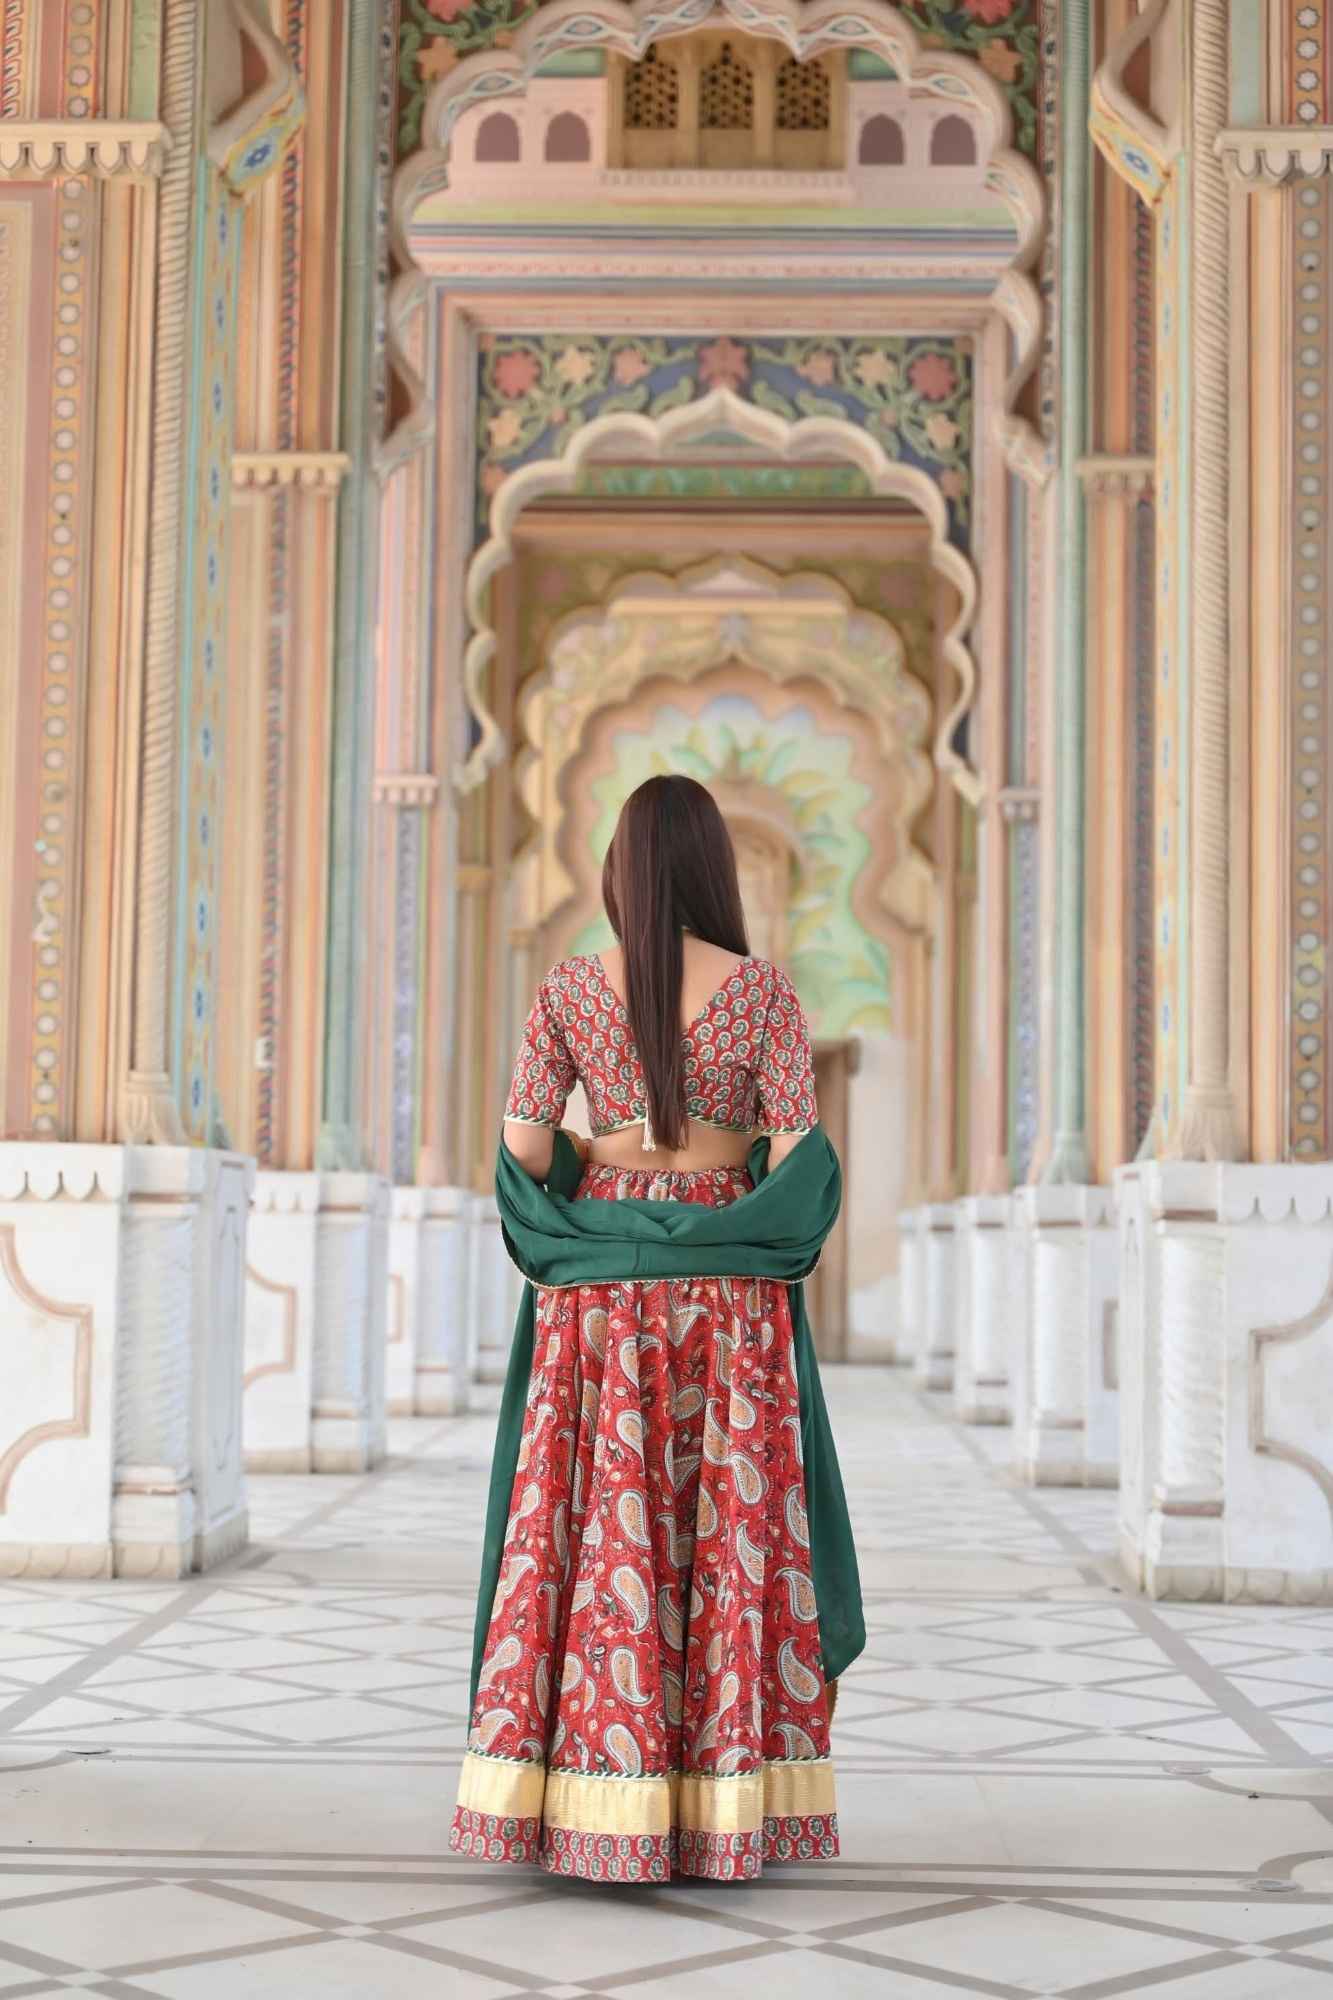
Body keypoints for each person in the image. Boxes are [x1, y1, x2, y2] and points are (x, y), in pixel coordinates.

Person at [450, 774, 862, 1884]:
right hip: (728, 1293)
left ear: (618, 873)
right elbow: (797, 1158)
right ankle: (720, 1804)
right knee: (725, 1526)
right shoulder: (764, 993)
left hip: (600, 1293)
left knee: (601, 1525)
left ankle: (596, 1794)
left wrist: (606, 1169)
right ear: (716, 868)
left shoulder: (570, 989)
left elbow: (525, 1151)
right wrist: (721, 1187)